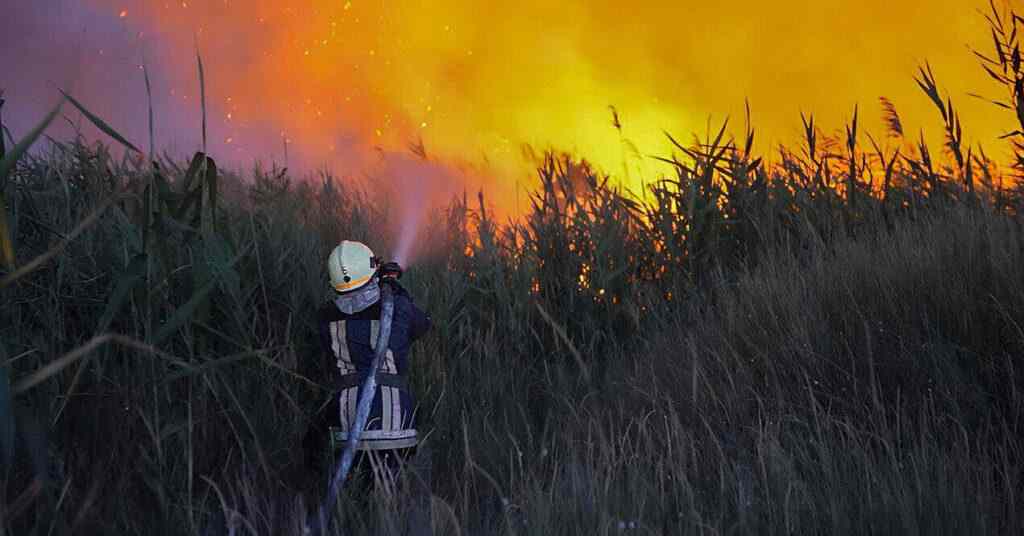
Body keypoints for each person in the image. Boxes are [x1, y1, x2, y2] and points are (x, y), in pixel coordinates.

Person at [302, 240, 431, 494]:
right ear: (373, 271)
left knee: (356, 498)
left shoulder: (326, 316)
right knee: (391, 501)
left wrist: (379, 286)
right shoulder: (397, 307)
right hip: (396, 429)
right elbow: (422, 324)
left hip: (349, 428)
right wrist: (393, 287)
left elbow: (355, 312)